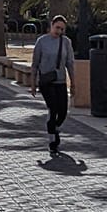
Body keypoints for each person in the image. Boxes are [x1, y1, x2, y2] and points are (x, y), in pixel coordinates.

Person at [30, 14, 75, 156]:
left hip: (60, 81)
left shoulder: (66, 42)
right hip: (46, 82)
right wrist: (33, 84)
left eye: (62, 29)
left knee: (62, 111)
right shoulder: (42, 41)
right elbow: (35, 64)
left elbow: (70, 64)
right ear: (51, 25)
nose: (59, 31)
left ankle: (54, 128)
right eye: (57, 27)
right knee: (53, 108)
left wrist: (73, 83)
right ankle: (52, 142)